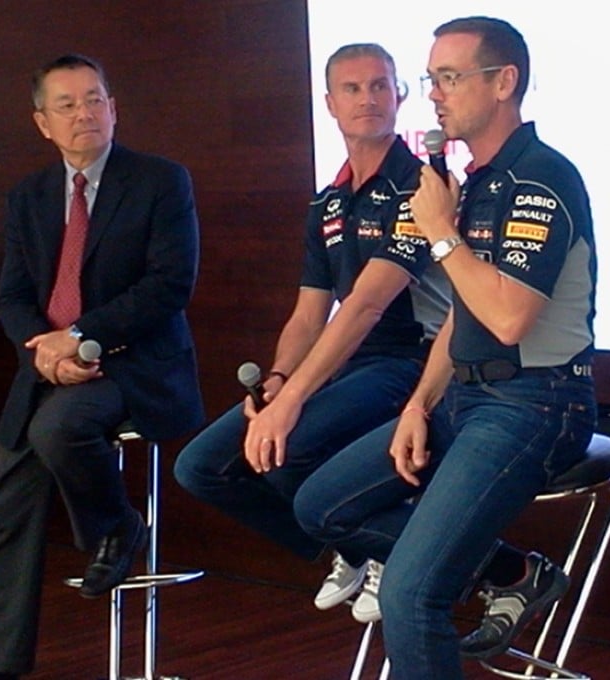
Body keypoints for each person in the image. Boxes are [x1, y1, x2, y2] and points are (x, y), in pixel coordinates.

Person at [293, 16, 598, 679]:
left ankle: (467, 573)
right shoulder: (477, 181)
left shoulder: (539, 179)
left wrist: (439, 234)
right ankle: (513, 573)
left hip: (537, 401)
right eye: (432, 79)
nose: (435, 93)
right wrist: (420, 403)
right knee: (320, 506)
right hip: (466, 392)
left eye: (450, 78)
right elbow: (463, 313)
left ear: (503, 83)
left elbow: (509, 317)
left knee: (408, 591)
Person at [172, 43, 449, 623]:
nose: (368, 98)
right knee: (201, 465)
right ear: (330, 103)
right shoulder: (326, 201)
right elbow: (308, 315)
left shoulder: (423, 186)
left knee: (286, 442)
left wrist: (292, 400)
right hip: (344, 363)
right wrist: (277, 381)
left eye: (380, 85)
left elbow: (367, 306)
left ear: (400, 94)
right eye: (352, 88)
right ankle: (353, 547)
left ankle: (384, 552)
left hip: (407, 362)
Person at [0, 54, 204, 680]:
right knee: (4, 513)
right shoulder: (29, 197)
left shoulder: (160, 181)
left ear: (113, 108)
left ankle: (117, 527)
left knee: (58, 429)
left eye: (94, 99)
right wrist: (46, 349)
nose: (84, 113)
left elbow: (169, 286)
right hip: (50, 370)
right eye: (66, 104)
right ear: (43, 122)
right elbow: (12, 296)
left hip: (134, 365)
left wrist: (82, 339)